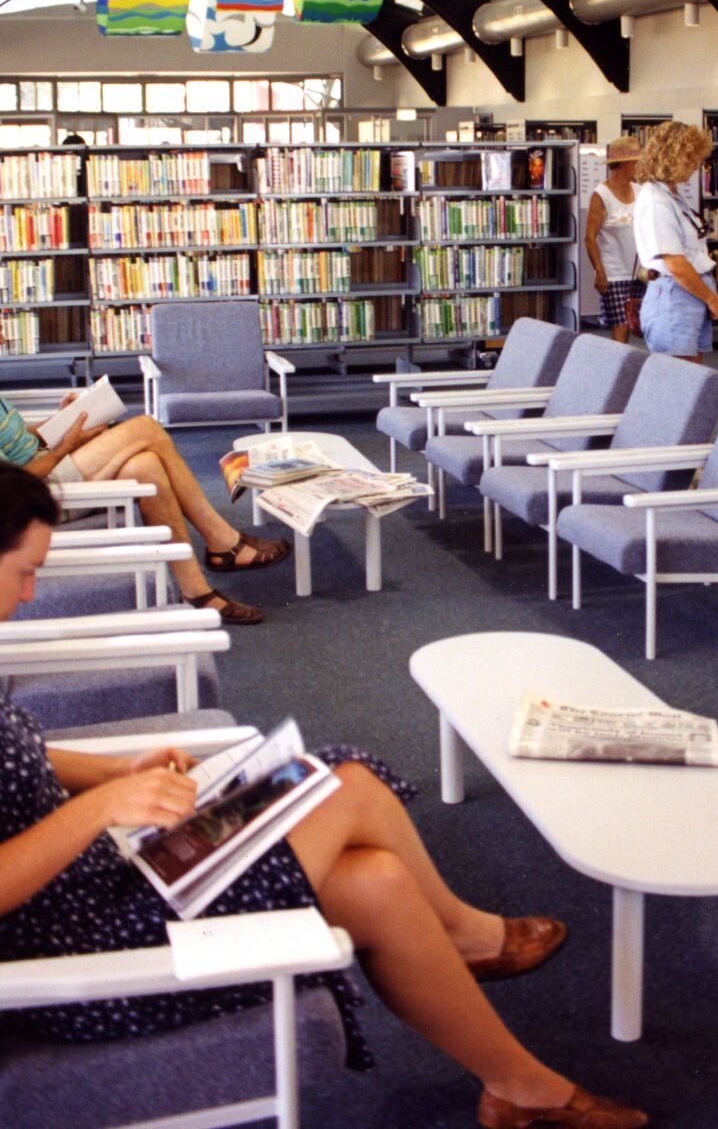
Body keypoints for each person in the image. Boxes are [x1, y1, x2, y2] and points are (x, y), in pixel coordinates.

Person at [0, 467, 647, 1129]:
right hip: (76, 955)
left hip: (98, 886)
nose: (29, 594)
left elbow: (19, 755)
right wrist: (100, 808)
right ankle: (463, 934)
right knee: (344, 782)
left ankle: (517, 1084)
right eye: (24, 572)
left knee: (379, 880)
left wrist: (116, 771)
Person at [0, 392, 289, 625]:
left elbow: (17, 440)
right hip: (36, 496)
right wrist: (65, 447)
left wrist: (60, 423)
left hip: (47, 464)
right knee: (145, 428)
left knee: (145, 465)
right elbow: (12, 482)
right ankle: (222, 541)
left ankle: (196, 591)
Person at [633, 122, 718, 364]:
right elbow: (675, 264)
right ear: (671, 158)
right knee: (679, 383)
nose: (696, 166)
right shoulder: (656, 202)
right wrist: (711, 299)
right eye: (690, 159)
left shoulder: (671, 195)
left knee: (693, 377)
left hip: (687, 294)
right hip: (675, 296)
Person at [584, 136, 646, 344]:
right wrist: (599, 271)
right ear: (625, 164)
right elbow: (590, 237)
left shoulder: (640, 191)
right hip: (614, 274)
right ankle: (617, 372)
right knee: (622, 326)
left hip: (640, 273)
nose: (640, 166)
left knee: (643, 324)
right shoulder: (601, 195)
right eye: (636, 161)